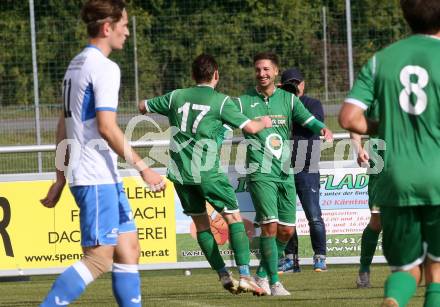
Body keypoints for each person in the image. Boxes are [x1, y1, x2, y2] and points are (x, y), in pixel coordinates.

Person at [39, 1, 165, 306]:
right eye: (123, 24)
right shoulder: (104, 67)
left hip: (101, 175)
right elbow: (108, 128)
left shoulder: (76, 64)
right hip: (96, 176)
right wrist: (143, 167)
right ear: (107, 28)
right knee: (98, 259)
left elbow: (62, 125)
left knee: (128, 249)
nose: (127, 32)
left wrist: (59, 177)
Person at [138, 54, 272, 296]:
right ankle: (244, 275)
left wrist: (162, 109)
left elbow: (142, 106)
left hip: (179, 173)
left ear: (193, 75)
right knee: (234, 220)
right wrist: (264, 121)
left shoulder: (176, 96)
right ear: (216, 75)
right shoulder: (220, 101)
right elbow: (251, 128)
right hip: (208, 172)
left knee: (201, 225)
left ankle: (222, 275)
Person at [339, 1, 440, 305]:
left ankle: (394, 301)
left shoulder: (381, 60)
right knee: (436, 270)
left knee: (406, 269)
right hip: (437, 175)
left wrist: (384, 125)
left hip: (395, 177)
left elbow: (348, 118)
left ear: (405, 15)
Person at [236, 52, 333, 296]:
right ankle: (276, 282)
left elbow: (308, 119)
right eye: (258, 69)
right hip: (261, 172)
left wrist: (323, 129)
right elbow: (223, 121)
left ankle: (260, 276)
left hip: (285, 172)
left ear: (276, 72)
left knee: (286, 230)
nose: (262, 74)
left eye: (266, 69)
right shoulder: (243, 101)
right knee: (269, 226)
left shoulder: (289, 100)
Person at [277, 68, 328, 273]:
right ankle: (291, 260)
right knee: (286, 218)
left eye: (296, 82)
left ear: (303, 84)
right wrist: (280, 98)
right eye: (289, 83)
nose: (294, 86)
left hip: (307, 167)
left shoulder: (313, 104)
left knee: (313, 215)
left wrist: (290, 104)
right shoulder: (278, 104)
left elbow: (312, 125)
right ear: (281, 85)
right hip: (284, 167)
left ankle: (320, 257)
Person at [350, 99, 382, 288]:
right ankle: (364, 270)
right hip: (381, 164)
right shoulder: (373, 95)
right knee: (377, 220)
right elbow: (354, 121)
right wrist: (359, 148)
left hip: (412, 162)